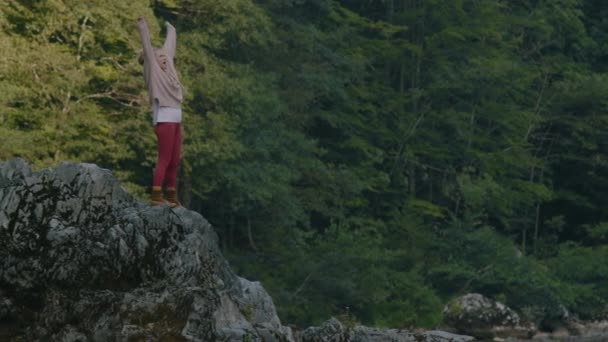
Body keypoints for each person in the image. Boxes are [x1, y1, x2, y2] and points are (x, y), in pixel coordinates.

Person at [136, 16, 183, 207]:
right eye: (159, 57)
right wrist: (143, 28)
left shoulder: (169, 71)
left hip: (176, 118)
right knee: (164, 158)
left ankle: (171, 195)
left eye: (164, 56)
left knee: (174, 160)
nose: (163, 58)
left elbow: (169, 49)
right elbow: (148, 51)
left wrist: (171, 30)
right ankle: (156, 195)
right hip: (164, 119)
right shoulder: (153, 73)